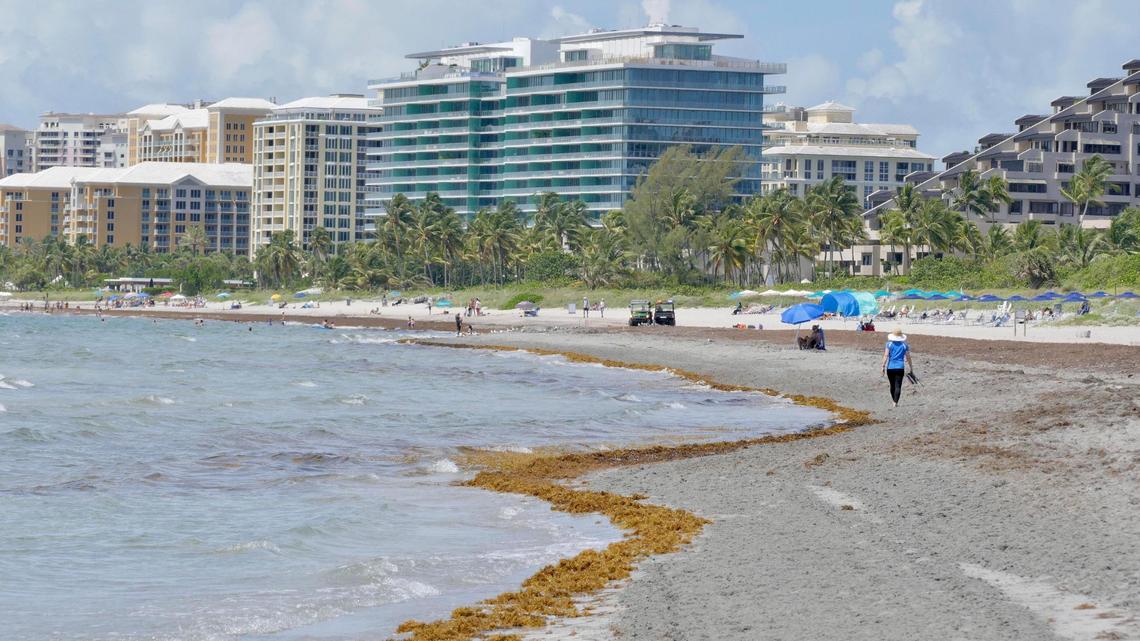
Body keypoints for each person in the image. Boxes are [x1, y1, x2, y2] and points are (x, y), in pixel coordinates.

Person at [881, 327, 914, 408]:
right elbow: (908, 357)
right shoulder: (904, 345)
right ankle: (895, 402)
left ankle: (894, 400)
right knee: (898, 385)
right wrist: (911, 368)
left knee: (892, 385)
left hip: (890, 368)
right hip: (900, 368)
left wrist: (883, 366)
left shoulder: (889, 344)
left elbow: (886, 355)